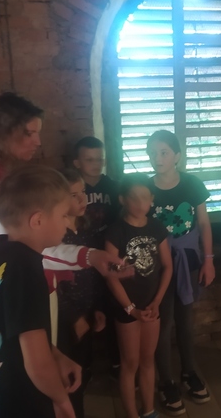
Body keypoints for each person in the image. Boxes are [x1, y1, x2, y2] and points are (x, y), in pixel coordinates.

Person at [0, 92, 124, 301]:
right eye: (29, 133)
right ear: (3, 133)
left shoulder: (4, 174)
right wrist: (88, 256)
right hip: (2, 296)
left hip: (21, 285)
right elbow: (28, 244)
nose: (38, 142)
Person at [0, 165, 81, 418]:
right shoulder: (25, 270)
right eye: (64, 215)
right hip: (18, 404)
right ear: (38, 220)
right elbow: (37, 364)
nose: (68, 223)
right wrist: (62, 402)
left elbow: (16, 328)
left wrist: (56, 355)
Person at [147, 130, 215, 416]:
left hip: (188, 261)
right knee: (163, 324)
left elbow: (204, 223)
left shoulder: (192, 184)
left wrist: (209, 260)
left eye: (163, 152)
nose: (157, 158)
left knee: (186, 321)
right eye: (152, 152)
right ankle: (166, 381)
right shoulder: (145, 188)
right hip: (157, 266)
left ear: (176, 155)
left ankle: (189, 372)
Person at [104, 173, 173, 418]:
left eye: (145, 197)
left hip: (151, 305)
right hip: (127, 307)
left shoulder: (156, 227)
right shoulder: (116, 231)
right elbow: (110, 275)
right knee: (130, 363)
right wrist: (130, 309)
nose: (140, 203)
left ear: (152, 199)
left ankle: (149, 410)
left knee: (147, 360)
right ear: (123, 199)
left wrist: (157, 301)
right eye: (133, 197)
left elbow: (167, 266)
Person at [55, 168, 108, 418]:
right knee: (67, 377)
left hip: (87, 310)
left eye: (83, 192)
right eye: (73, 195)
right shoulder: (55, 235)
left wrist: (98, 307)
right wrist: (73, 317)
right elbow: (54, 283)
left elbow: (94, 272)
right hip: (64, 318)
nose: (82, 199)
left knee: (83, 369)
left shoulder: (87, 228)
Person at [72, 136, 121, 378]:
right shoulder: (72, 190)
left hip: (109, 254)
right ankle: (83, 363)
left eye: (99, 159)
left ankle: (117, 360)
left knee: (112, 306)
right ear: (77, 163)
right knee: (84, 310)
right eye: (89, 159)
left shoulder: (112, 186)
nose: (95, 164)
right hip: (79, 258)